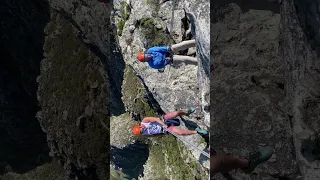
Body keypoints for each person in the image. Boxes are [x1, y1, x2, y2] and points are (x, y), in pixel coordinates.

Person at [132, 107, 208, 136]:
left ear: (140, 126)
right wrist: (163, 133)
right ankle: (196, 131)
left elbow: (155, 119)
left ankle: (186, 112)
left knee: (176, 113)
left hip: (163, 120)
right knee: (180, 133)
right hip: (165, 129)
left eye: (141, 129)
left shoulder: (145, 121)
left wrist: (164, 125)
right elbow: (154, 135)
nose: (143, 129)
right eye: (141, 131)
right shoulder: (145, 134)